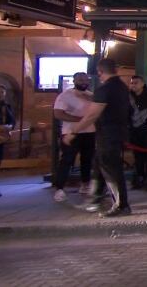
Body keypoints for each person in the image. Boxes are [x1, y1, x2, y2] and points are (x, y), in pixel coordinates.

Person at [70, 58, 132, 217]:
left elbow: (92, 115)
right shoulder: (122, 87)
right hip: (117, 132)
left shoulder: (104, 89)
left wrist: (74, 131)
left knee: (111, 169)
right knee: (99, 165)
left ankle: (121, 205)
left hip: (107, 134)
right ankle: (95, 200)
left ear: (100, 72)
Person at [52, 73, 96, 202]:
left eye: (86, 79)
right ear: (74, 80)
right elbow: (58, 114)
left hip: (89, 132)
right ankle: (59, 189)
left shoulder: (91, 95)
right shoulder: (65, 95)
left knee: (87, 159)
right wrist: (81, 120)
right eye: (80, 79)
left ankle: (85, 184)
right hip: (71, 133)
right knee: (67, 160)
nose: (83, 82)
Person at [0, 85, 16, 198]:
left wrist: (9, 127)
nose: (0, 94)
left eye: (2, 92)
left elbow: (12, 121)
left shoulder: (6, 106)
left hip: (1, 138)